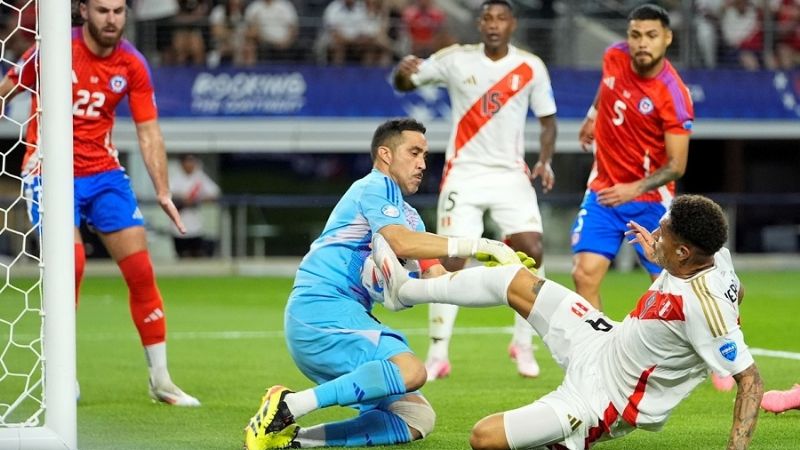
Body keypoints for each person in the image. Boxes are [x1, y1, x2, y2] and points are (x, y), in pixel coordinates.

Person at [371, 194, 763, 450]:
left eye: (663, 233)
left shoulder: (703, 306)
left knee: (483, 438)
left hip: (603, 398)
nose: (655, 234)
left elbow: (751, 381)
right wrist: (666, 261)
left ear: (683, 251)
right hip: (601, 339)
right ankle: (403, 291)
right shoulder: (716, 258)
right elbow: (735, 292)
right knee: (514, 280)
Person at [243, 118, 521, 450]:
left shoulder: (411, 217)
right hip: (323, 309)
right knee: (410, 370)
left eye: (425, 156)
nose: (422, 164)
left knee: (415, 418)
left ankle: (296, 440)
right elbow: (400, 243)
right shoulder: (376, 186)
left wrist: (501, 280)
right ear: (385, 154)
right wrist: (479, 244)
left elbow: (439, 281)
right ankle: (287, 406)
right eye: (414, 152)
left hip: (338, 318)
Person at [0, 0, 199, 406]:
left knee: (142, 270)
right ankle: (62, 377)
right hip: (50, 168)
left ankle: (161, 380)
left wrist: (162, 190)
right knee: (69, 265)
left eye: (119, 11)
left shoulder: (132, 64)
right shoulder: (53, 49)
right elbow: (5, 89)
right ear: (83, 11)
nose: (112, 19)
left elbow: (148, 132)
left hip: (103, 172)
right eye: (103, 10)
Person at [393, 0, 558, 380]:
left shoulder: (530, 66)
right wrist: (402, 73)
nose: (494, 24)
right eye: (487, 18)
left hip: (510, 176)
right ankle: (438, 352)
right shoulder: (456, 60)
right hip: (463, 175)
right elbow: (408, 82)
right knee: (451, 260)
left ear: (512, 23)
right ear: (479, 23)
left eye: (501, 17)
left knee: (530, 251)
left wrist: (545, 160)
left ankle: (522, 343)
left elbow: (548, 122)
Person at [572, 4, 693, 312]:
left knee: (670, 289)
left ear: (667, 38)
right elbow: (608, 83)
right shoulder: (615, 54)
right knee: (584, 275)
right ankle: (597, 356)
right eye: (635, 35)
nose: (642, 43)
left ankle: (686, 354)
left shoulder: (674, 96)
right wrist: (593, 115)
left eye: (651, 35)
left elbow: (677, 166)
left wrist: (633, 189)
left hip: (650, 200)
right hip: (603, 190)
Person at [169, 154, 221, 258]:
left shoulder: (199, 178)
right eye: (187, 162)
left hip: (196, 225)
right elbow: (167, 195)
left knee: (197, 254)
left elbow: (215, 193)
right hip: (178, 223)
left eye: (192, 162)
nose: (190, 165)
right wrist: (182, 199)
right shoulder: (175, 178)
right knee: (182, 254)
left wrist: (197, 200)